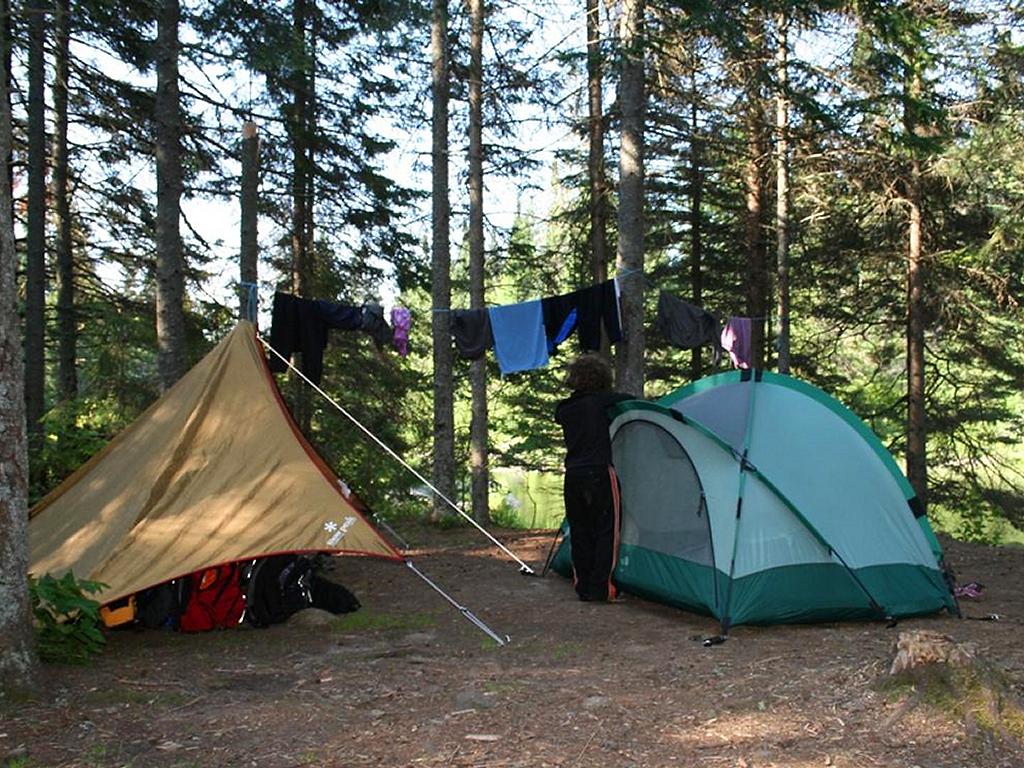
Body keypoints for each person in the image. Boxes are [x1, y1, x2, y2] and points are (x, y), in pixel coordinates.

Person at [554, 354, 632, 602]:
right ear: (601, 378)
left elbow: (559, 415)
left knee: (580, 530)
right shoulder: (601, 402)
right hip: (599, 472)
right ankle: (602, 588)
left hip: (573, 475)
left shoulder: (564, 409)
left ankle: (584, 587)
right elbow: (630, 401)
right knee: (606, 530)